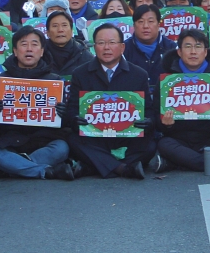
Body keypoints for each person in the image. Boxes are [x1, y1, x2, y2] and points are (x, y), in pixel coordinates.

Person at [0, 26, 74, 180]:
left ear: (42, 51)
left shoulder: (55, 81)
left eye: (34, 44)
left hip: (45, 140)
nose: (29, 49)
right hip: (9, 141)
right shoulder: (0, 80)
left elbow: (65, 121)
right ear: (16, 51)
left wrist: (63, 114)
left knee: (62, 148)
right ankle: (44, 171)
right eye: (24, 44)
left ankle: (8, 169)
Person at [64, 23, 155, 179]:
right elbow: (72, 109)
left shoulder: (138, 74)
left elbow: (149, 109)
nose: (106, 48)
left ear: (122, 47)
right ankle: (123, 168)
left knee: (150, 144)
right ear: (94, 47)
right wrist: (74, 119)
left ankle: (93, 166)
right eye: (101, 43)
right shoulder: (80, 74)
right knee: (72, 140)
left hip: (127, 136)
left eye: (112, 42)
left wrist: (148, 121)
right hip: (94, 137)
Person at [153, 29, 210, 174]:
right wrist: (166, 124)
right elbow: (157, 121)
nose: (193, 52)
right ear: (179, 52)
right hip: (179, 138)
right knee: (164, 144)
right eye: (188, 47)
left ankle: (177, 162)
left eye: (198, 46)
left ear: (206, 51)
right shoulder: (166, 80)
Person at [124, 4, 176, 97]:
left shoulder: (172, 48)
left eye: (151, 21)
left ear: (158, 24)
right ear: (134, 25)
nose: (145, 26)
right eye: (140, 21)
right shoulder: (123, 49)